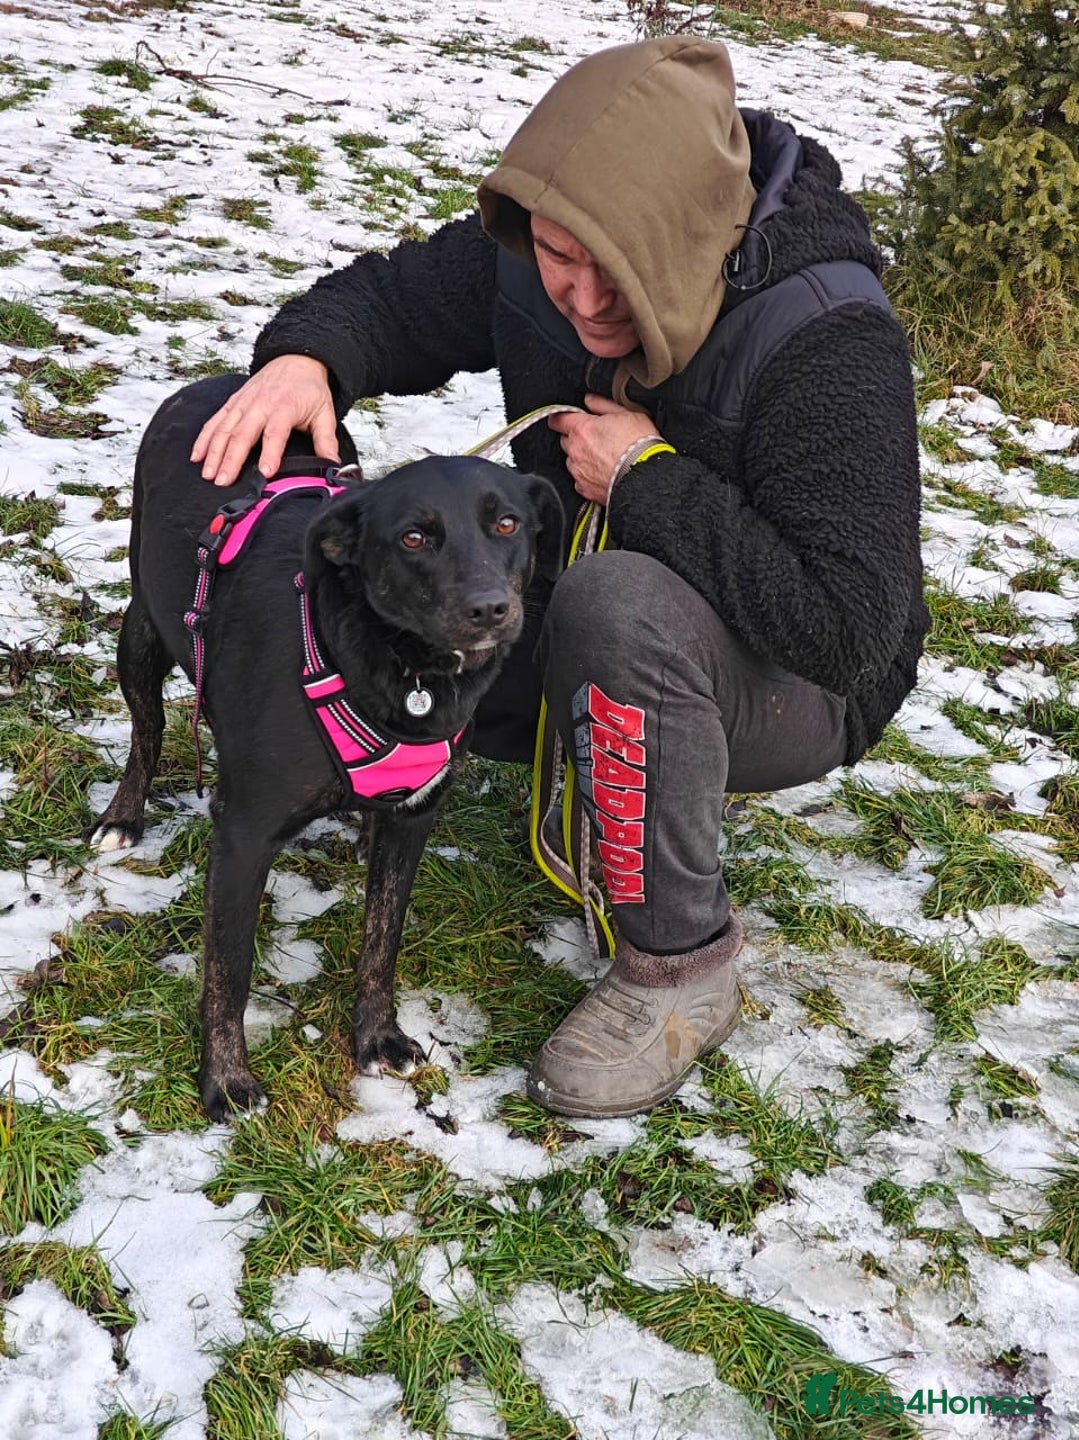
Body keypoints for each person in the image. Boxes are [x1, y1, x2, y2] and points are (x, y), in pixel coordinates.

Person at [190, 37, 928, 1119]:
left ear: (686, 232)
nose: (578, 297)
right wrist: (309, 358)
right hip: (598, 600)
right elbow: (392, 302)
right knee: (453, 611)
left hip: (800, 677)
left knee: (611, 603)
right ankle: (584, 739)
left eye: (610, 267)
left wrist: (647, 480)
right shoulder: (550, 246)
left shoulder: (825, 337)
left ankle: (677, 971)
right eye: (553, 255)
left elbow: (851, 628)